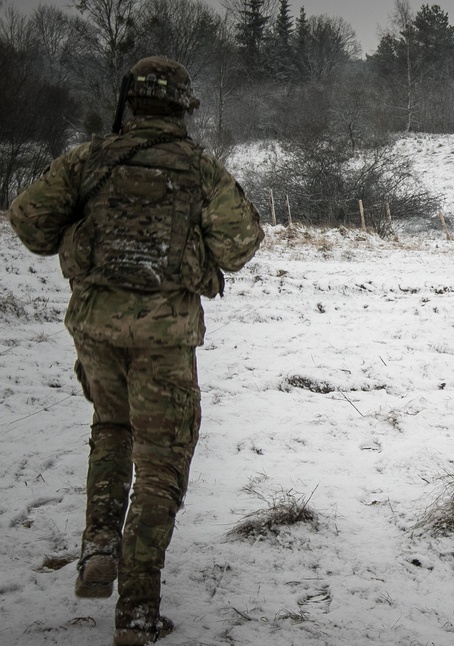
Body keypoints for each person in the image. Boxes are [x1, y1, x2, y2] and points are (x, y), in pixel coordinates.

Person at [9, 56, 265, 646]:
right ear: (183, 107)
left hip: (95, 329)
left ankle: (99, 543)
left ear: (130, 101)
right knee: (161, 462)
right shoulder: (199, 169)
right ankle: (137, 612)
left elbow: (27, 221)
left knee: (111, 427)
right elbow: (240, 246)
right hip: (165, 337)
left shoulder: (89, 159)